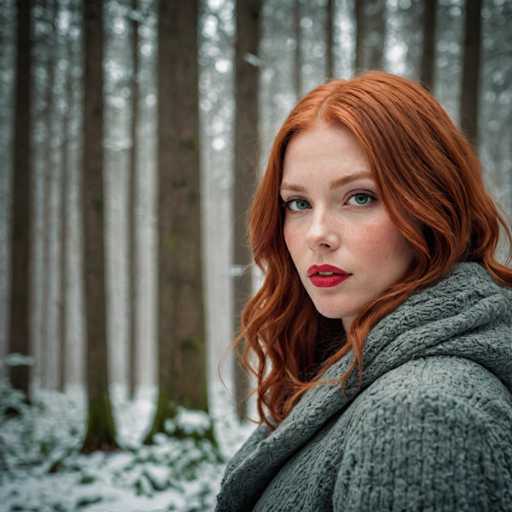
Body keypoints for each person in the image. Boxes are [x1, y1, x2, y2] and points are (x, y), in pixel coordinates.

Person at [215, 71, 512, 511]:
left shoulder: (419, 416)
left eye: (359, 197)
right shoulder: (350, 370)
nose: (318, 234)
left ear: (433, 205)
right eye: (298, 203)